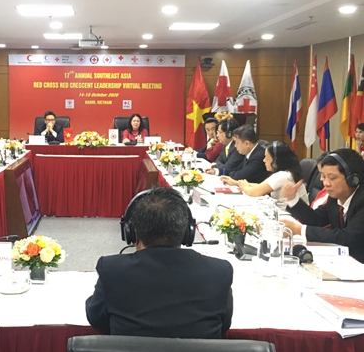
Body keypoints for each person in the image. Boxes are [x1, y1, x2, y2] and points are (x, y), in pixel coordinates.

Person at [85, 187, 233, 339]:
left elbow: (96, 319)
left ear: (132, 233)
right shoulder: (219, 272)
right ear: (187, 233)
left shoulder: (112, 270)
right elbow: (224, 324)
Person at [279, 149, 364, 263]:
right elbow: (316, 220)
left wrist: (299, 230)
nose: (326, 183)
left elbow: (348, 238)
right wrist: (293, 199)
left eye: (332, 178)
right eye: (323, 176)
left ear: (353, 179)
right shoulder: (334, 198)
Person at [221, 141, 309, 204]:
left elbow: (253, 192)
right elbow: (261, 186)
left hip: (292, 218)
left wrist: (242, 186)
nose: (264, 160)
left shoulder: (283, 175)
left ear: (275, 161)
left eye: (266, 157)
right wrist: (236, 183)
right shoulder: (286, 173)